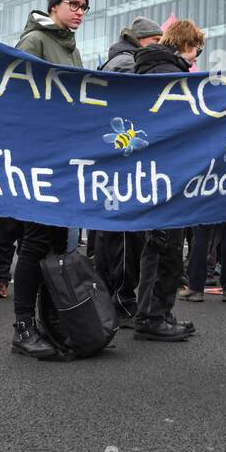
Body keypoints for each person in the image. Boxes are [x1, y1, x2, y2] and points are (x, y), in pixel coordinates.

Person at [8, 0, 89, 359]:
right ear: (54, 5)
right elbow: (19, 98)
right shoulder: (34, 42)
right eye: (73, 4)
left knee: (58, 244)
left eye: (84, 7)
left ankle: (53, 321)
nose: (80, 12)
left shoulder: (71, 48)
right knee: (36, 242)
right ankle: (23, 327)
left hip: (63, 158)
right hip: (39, 156)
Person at [130, 19, 204, 341]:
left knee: (162, 246)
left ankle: (158, 311)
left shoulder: (156, 69)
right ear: (186, 45)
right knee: (164, 247)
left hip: (159, 170)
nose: (196, 56)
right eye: (196, 50)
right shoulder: (166, 73)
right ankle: (151, 317)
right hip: (165, 172)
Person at [93, 17, 162, 321]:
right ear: (142, 40)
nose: (161, 49)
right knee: (123, 237)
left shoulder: (121, 58)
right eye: (157, 42)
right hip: (122, 158)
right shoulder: (126, 62)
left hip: (119, 156)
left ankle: (113, 299)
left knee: (116, 235)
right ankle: (120, 300)